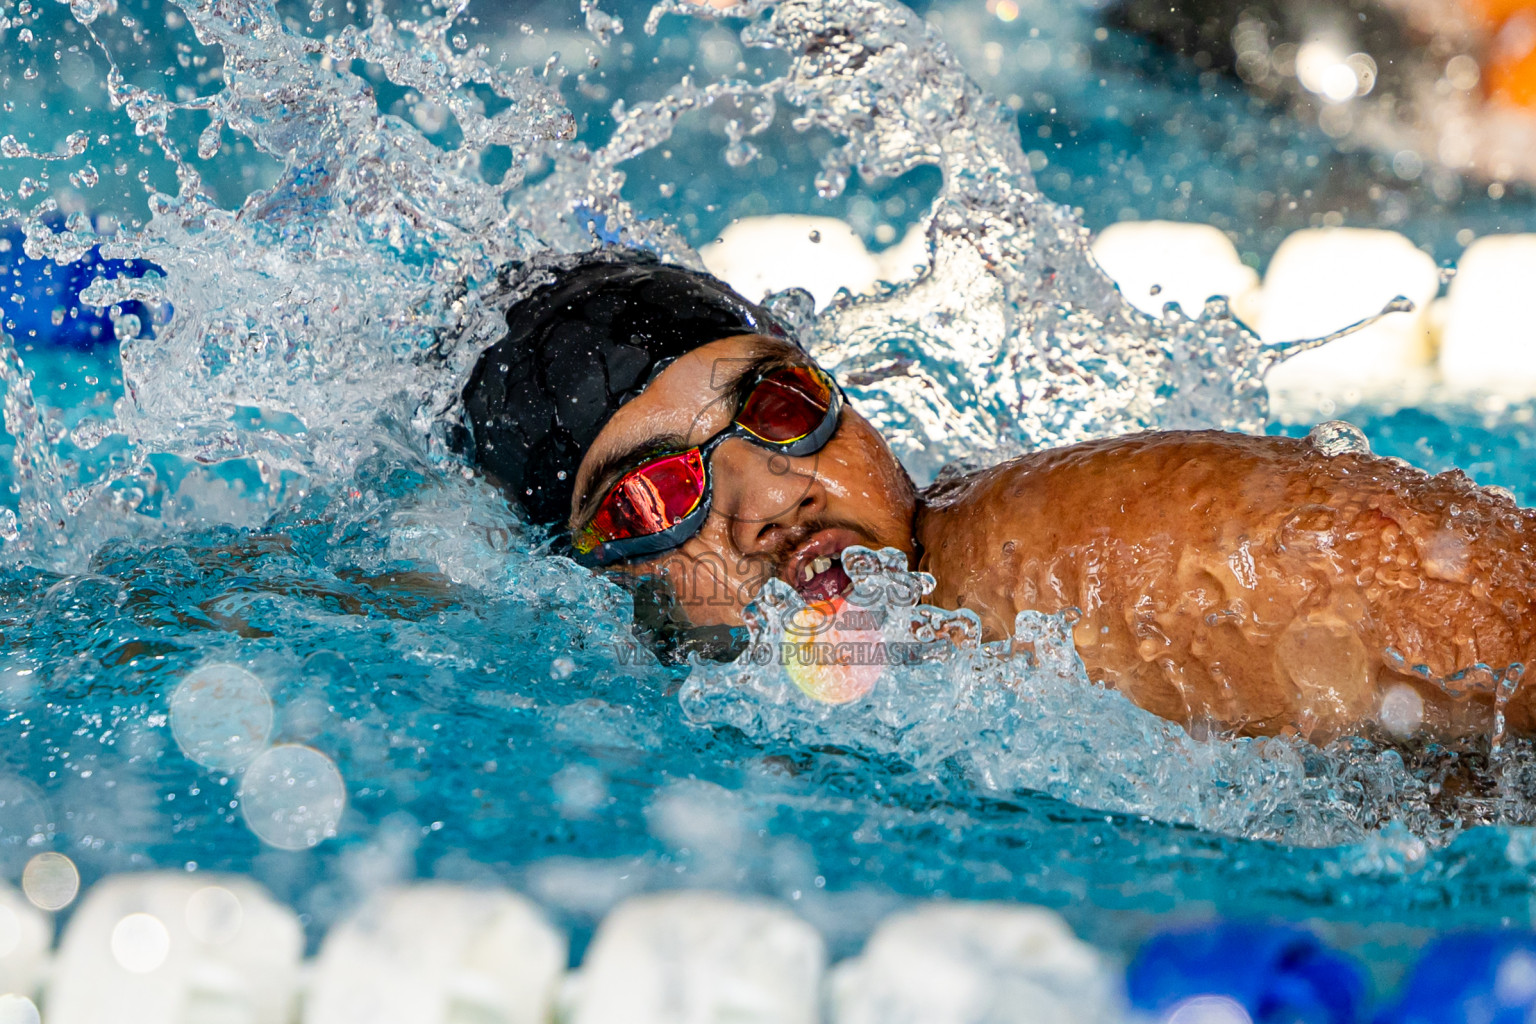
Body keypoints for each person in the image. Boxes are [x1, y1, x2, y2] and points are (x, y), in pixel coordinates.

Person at [458, 249, 1536, 744]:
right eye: (654, 497)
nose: (771, 494)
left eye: (779, 406)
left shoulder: (1070, 557)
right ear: (582, 583)